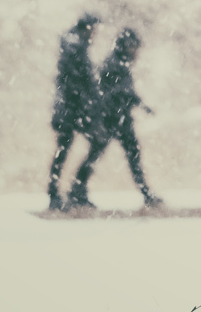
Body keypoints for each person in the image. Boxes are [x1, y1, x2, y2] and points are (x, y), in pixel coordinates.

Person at [65, 27, 162, 210]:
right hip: (113, 118)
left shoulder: (120, 64)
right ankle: (77, 191)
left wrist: (141, 105)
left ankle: (77, 190)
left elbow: (125, 92)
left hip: (117, 118)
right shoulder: (114, 65)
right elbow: (110, 92)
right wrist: (123, 103)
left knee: (113, 154)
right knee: (114, 154)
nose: (136, 52)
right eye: (133, 47)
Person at [47, 14, 100, 211]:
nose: (95, 34)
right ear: (86, 29)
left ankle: (66, 191)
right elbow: (77, 81)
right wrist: (90, 99)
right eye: (93, 30)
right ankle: (65, 191)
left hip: (73, 108)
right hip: (72, 108)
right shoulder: (75, 48)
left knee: (65, 149)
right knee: (66, 148)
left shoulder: (75, 46)